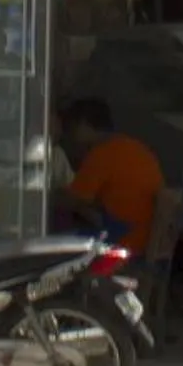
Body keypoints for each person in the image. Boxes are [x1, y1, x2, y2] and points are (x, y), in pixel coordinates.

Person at [57, 97, 164, 258]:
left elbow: (73, 199)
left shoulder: (101, 154)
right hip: (144, 239)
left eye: (71, 126)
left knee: (56, 235)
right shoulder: (134, 147)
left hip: (122, 241)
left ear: (84, 124)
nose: (68, 133)